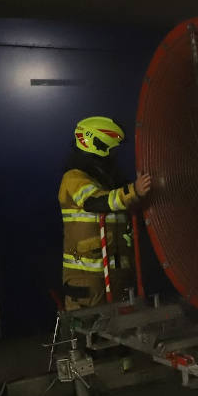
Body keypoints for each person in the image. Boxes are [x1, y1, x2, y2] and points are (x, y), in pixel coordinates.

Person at [59, 116, 152, 309]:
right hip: (87, 285)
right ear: (97, 145)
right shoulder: (74, 179)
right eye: (110, 150)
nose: (113, 156)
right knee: (91, 333)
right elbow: (97, 201)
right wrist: (133, 190)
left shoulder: (106, 180)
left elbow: (119, 202)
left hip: (116, 281)